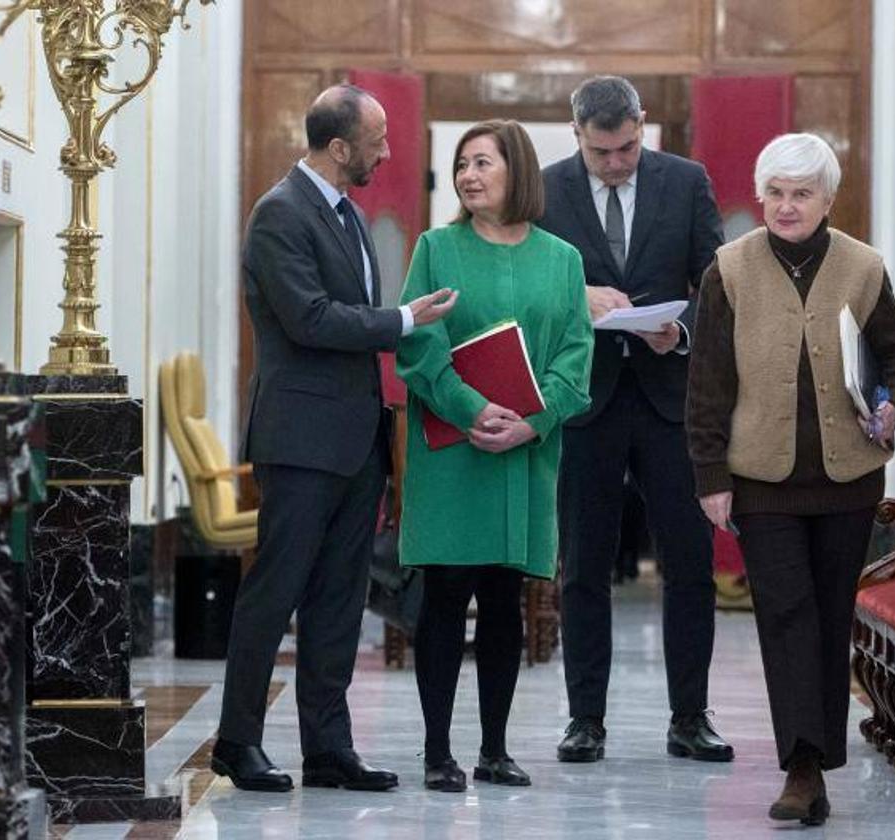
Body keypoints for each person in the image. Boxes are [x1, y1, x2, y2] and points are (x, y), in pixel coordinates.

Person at [211, 84, 457, 793]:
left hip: (354, 440)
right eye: (377, 139)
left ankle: (328, 748)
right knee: (275, 593)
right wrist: (403, 320)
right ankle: (238, 741)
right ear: (341, 147)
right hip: (300, 441)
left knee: (339, 600)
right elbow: (312, 320)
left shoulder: (344, 212)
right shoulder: (279, 215)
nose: (387, 150)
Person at [686, 132, 895, 825]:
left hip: (847, 477)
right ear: (762, 198)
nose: (787, 208)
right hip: (761, 479)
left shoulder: (864, 266)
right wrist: (709, 475)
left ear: (827, 199)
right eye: (776, 195)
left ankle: (814, 759)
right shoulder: (726, 270)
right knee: (785, 614)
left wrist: (891, 405)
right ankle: (802, 765)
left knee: (829, 618)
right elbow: (707, 386)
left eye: (802, 195)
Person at [538, 75, 732, 764]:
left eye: (627, 147)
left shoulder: (685, 182)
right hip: (585, 399)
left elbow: (717, 286)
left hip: (666, 397)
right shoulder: (547, 189)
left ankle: (690, 718)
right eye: (602, 152)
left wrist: (677, 334)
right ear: (577, 139)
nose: (617, 162)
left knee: (689, 564)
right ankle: (584, 719)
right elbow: (529, 291)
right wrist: (575, 294)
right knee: (583, 568)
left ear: (643, 126)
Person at [396, 119, 593, 792]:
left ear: (518, 173)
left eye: (482, 163)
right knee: (446, 596)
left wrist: (533, 423)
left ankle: (496, 750)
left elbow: (575, 356)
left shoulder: (561, 259)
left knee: (505, 600)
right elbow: (418, 346)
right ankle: (436, 752)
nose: (468, 176)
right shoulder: (434, 248)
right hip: (455, 452)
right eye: (461, 165)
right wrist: (470, 408)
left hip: (522, 455)